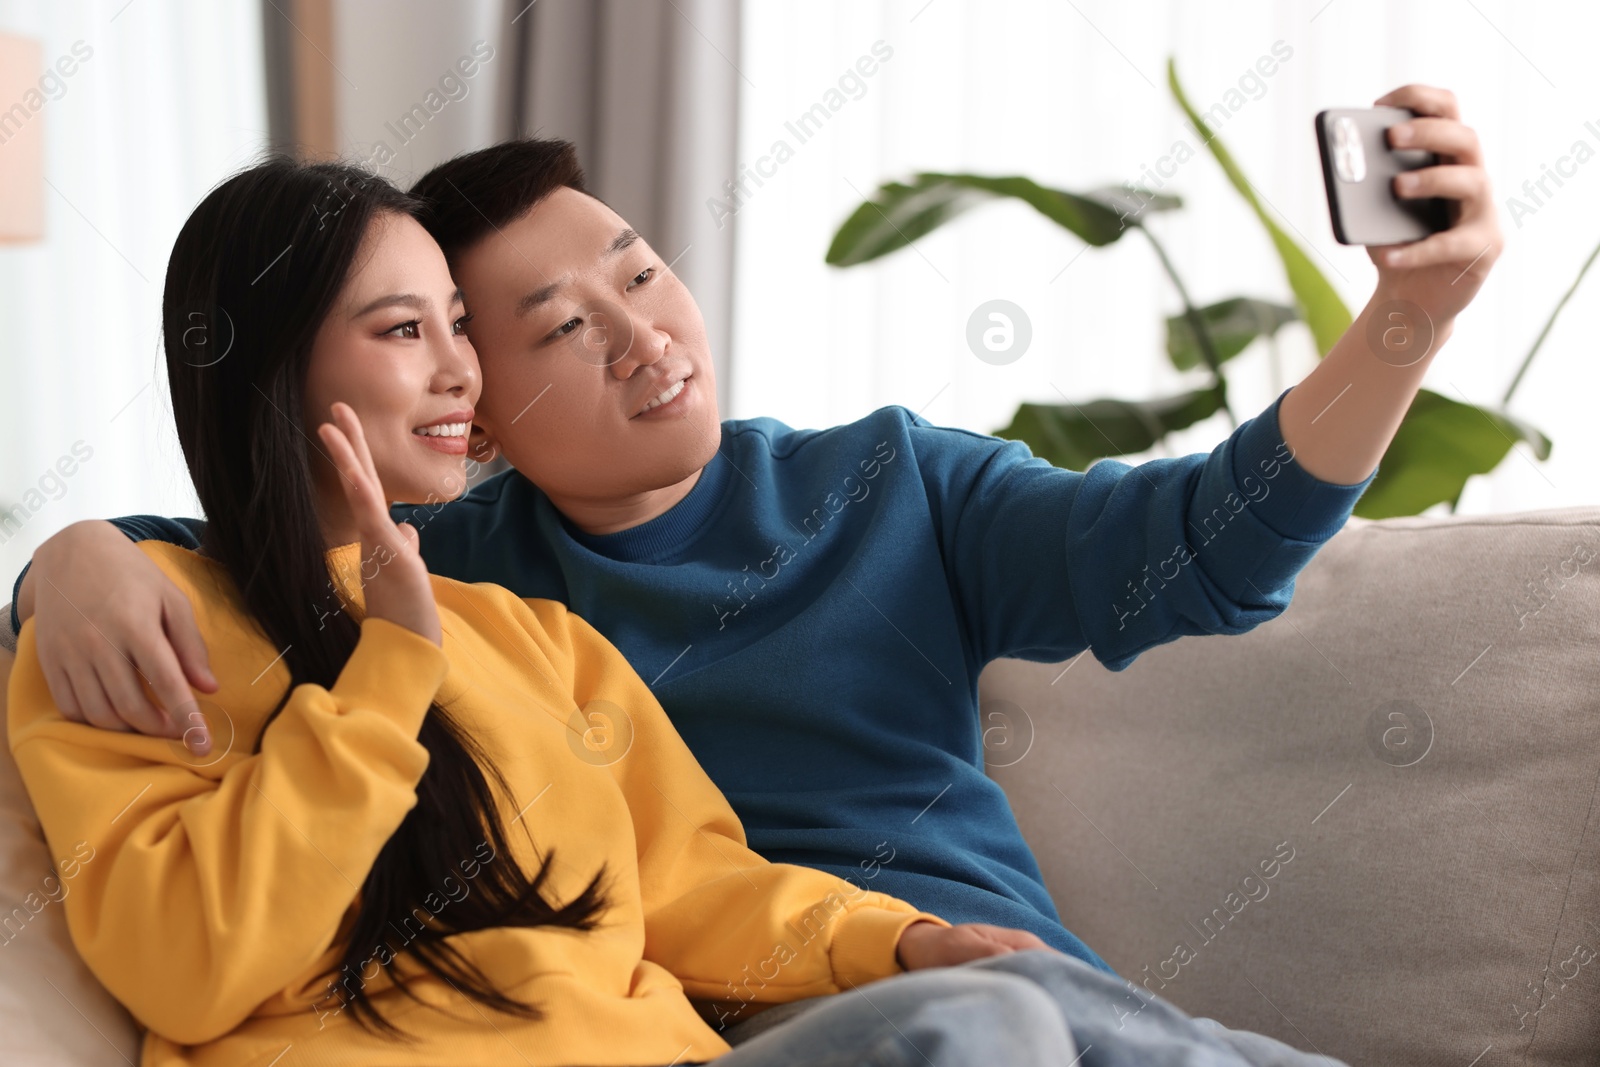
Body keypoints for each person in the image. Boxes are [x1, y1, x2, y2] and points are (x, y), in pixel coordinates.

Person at [10, 82, 1499, 1001]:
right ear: (478, 421)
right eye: (553, 331)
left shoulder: (894, 487)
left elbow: (1197, 552)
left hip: (980, 974)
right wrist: (65, 558)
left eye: (641, 273)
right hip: (718, 1013)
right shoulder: (461, 592)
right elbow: (258, 553)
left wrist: (1408, 319)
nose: (644, 334)